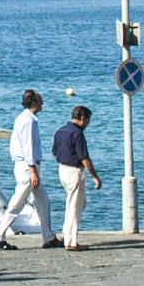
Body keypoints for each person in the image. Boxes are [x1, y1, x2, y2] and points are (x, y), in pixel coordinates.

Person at [0, 89, 60, 250]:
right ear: (34, 102)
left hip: (26, 166)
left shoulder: (23, 119)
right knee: (17, 203)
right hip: (28, 167)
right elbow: (28, 147)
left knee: (43, 202)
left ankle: (48, 236)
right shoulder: (29, 121)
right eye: (40, 99)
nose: (43, 102)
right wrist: (33, 171)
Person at [51, 105, 102, 251]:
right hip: (74, 171)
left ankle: (66, 233)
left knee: (79, 203)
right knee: (74, 206)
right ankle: (71, 242)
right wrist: (95, 177)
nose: (87, 124)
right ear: (82, 118)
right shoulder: (77, 133)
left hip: (62, 169)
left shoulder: (60, 131)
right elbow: (84, 157)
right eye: (88, 121)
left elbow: (55, 152)